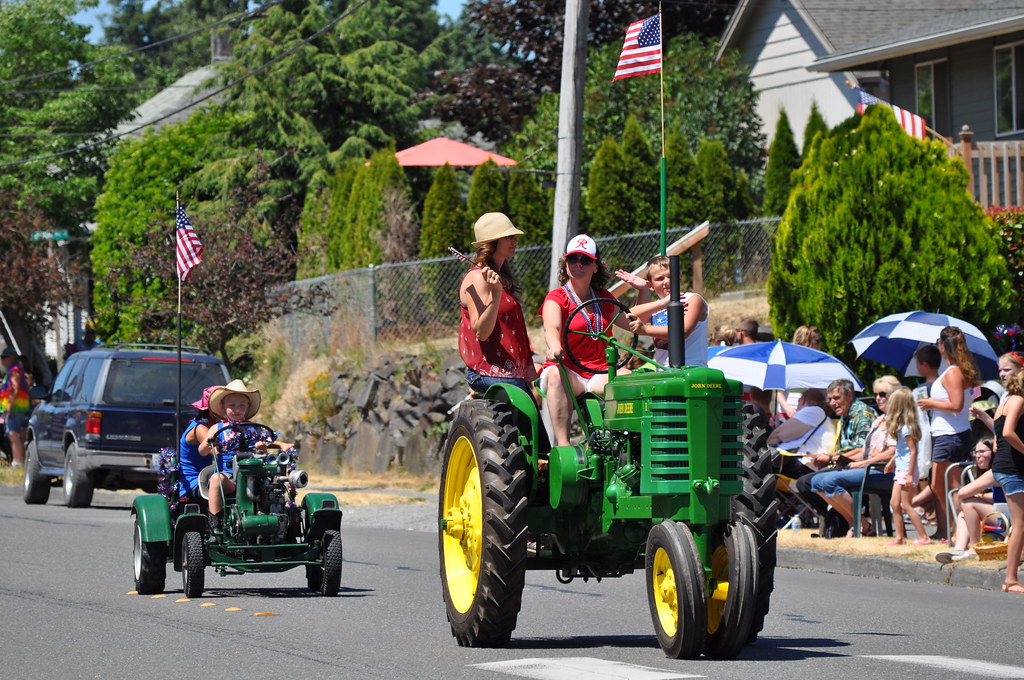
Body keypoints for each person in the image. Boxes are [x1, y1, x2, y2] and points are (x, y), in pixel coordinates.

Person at [540, 234, 636, 447]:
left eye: (585, 260)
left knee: (631, 380)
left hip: (599, 372)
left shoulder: (603, 297)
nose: (578, 265)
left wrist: (648, 294)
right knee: (555, 374)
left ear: (595, 266)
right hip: (569, 372)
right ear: (566, 264)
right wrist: (555, 346)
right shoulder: (556, 297)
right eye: (573, 259)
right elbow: (552, 328)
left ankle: (622, 446)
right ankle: (564, 449)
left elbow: (633, 322)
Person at [807, 376, 901, 537]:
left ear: (894, 395)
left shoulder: (897, 419)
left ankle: (858, 525)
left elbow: (892, 452)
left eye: (882, 394)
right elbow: (863, 450)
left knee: (829, 481)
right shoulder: (879, 420)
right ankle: (858, 524)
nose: (878, 398)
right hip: (868, 467)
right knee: (816, 481)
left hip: (884, 471)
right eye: (876, 394)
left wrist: (861, 463)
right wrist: (835, 459)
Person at [457, 212, 537, 396]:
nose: (515, 241)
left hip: (510, 374)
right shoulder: (477, 278)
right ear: (491, 243)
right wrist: (496, 293)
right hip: (491, 373)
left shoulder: (498, 276)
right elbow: (482, 332)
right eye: (509, 237)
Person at [204, 380, 293, 538]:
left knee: (276, 480)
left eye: (241, 406)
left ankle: (283, 520)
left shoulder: (255, 428)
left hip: (255, 475)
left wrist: (264, 448)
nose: (236, 409)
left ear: (247, 409)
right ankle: (215, 525)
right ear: (224, 407)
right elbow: (202, 449)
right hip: (230, 477)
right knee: (216, 480)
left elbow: (266, 447)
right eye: (232, 405)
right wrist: (212, 446)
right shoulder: (216, 429)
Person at [917, 326, 980, 542]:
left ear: (943, 346)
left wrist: (930, 402)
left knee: (951, 487)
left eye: (938, 342)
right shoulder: (955, 370)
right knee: (939, 486)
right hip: (949, 434)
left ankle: (957, 531)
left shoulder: (953, 372)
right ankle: (946, 530)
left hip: (951, 434)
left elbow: (956, 404)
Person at [793, 378, 875, 525]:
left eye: (837, 398)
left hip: (863, 466)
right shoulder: (845, 413)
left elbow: (863, 450)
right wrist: (827, 457)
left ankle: (856, 523)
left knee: (809, 482)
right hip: (844, 464)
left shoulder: (862, 414)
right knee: (804, 479)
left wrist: (831, 458)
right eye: (830, 399)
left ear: (850, 395)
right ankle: (844, 521)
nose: (832, 403)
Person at [619, 255, 708, 368]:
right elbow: (629, 317)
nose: (667, 281)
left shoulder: (693, 299)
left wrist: (645, 329)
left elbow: (682, 332)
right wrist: (644, 290)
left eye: (671, 276)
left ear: (679, 276)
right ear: (651, 285)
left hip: (691, 368)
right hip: (663, 370)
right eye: (660, 279)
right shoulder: (657, 306)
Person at [935, 437, 1004, 563]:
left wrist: (975, 497)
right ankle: (958, 549)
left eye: (982, 452)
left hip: (1009, 517)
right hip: (1003, 512)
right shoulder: (994, 471)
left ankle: (973, 548)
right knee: (964, 511)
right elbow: (1000, 497)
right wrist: (981, 497)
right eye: (975, 452)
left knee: (968, 504)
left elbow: (962, 493)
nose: (977, 456)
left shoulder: (995, 472)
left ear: (993, 452)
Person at [991, 361, 1024, 593]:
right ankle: (1010, 580)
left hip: (1006, 466)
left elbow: (996, 443)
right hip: (1012, 469)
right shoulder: (1018, 401)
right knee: (1020, 523)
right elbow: (1008, 433)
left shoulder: (1004, 402)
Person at [884, 388, 931, 546]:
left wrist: (910, 474)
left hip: (907, 470)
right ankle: (900, 537)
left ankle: (924, 537)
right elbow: (900, 451)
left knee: (906, 505)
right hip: (901, 469)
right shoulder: (901, 427)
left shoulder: (906, 428)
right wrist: (892, 462)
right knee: (894, 503)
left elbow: (913, 452)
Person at [177, 385, 222, 504]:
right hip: (195, 482)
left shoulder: (216, 427)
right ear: (212, 410)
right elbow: (217, 451)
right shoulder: (200, 428)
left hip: (211, 476)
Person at [778, 325, 822, 417]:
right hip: (788, 413)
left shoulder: (818, 363)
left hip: (808, 413)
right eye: (817, 341)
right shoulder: (788, 362)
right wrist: (788, 408)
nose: (819, 344)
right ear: (806, 341)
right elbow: (779, 391)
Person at [0, 347, 30, 467]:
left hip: (15, 408)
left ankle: (17, 462)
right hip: (18, 407)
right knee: (20, 435)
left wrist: (8, 407)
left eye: (4, 357)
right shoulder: (13, 370)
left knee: (13, 434)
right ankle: (22, 461)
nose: (2, 360)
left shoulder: (14, 371)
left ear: (12, 358)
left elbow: (14, 389)